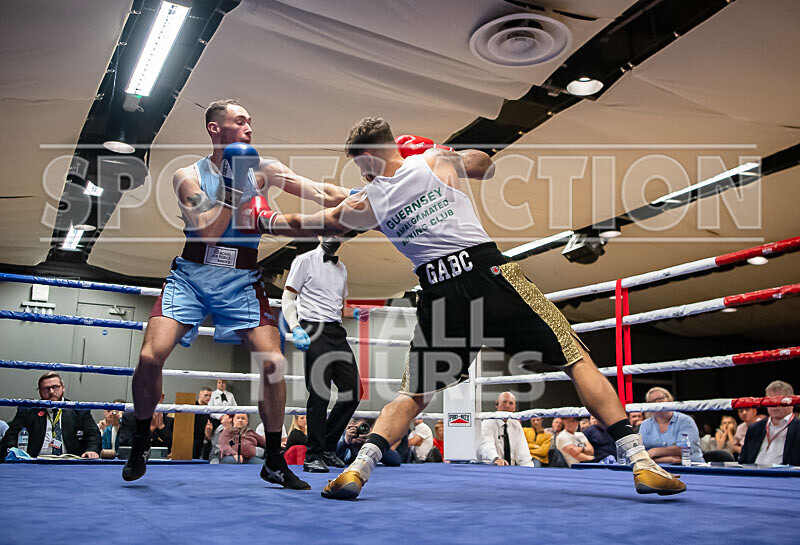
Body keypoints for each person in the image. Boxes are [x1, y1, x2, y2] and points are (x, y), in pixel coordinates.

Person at [247, 117, 686, 498]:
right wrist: (448, 153)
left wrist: (264, 211)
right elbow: (484, 165)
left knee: (413, 395)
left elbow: (321, 217)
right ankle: (641, 461)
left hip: (439, 294)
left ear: (370, 158)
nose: (363, 175)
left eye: (362, 166)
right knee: (575, 357)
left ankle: (357, 468)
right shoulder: (431, 161)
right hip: (488, 275)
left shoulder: (371, 202)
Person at [122, 99, 352, 489]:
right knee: (149, 356)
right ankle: (142, 439)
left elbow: (320, 192)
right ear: (215, 129)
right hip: (192, 275)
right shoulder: (186, 176)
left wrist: (377, 194)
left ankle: (275, 460)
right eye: (240, 120)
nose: (249, 127)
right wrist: (232, 185)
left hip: (242, 278)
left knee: (273, 362)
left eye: (250, 121)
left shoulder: (264, 169)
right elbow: (208, 230)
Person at [282, 237, 362, 473]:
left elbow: (338, 305)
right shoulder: (304, 260)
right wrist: (295, 327)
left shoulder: (342, 268)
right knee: (319, 393)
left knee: (353, 391)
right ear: (319, 236)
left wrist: (354, 311)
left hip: (336, 332)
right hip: (312, 329)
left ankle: (326, 448)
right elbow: (288, 297)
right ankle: (313, 455)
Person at [0, 372, 101, 460]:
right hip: (35, 463)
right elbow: (11, 436)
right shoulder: (28, 410)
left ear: (63, 388)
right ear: (39, 391)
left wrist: (92, 450)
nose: (52, 392)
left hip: (71, 463)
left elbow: (93, 435)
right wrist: (13, 453)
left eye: (55, 387)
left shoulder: (78, 409)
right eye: (46, 389)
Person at [740, 381, 800, 465]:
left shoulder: (798, 428)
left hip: (785, 476)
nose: (774, 405)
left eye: (779, 400)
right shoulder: (754, 428)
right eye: (770, 401)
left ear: (791, 402)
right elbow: (743, 461)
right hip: (753, 475)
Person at [638, 387, 703, 464]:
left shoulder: (685, 421)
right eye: (652, 401)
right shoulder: (645, 425)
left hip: (690, 467)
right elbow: (641, 454)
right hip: (657, 468)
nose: (657, 402)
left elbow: (684, 450)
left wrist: (654, 452)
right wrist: (665, 460)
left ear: (669, 400)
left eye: (660, 399)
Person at [477, 392, 534, 467]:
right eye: (504, 402)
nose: (507, 406)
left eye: (511, 403)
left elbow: (523, 450)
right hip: (491, 466)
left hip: (511, 468)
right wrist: (495, 459)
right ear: (496, 404)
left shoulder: (515, 424)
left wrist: (529, 468)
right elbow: (486, 444)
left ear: (514, 408)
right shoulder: (488, 422)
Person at [335, 418, 401, 467]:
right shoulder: (338, 436)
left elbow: (396, 461)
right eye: (361, 428)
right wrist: (346, 442)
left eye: (367, 430)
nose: (363, 433)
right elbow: (331, 459)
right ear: (351, 425)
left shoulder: (372, 440)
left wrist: (373, 443)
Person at [193, 387, 215, 460]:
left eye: (210, 396)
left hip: (203, 439)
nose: (208, 398)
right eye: (206, 395)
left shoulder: (209, 410)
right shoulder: (192, 406)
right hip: (191, 438)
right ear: (200, 394)